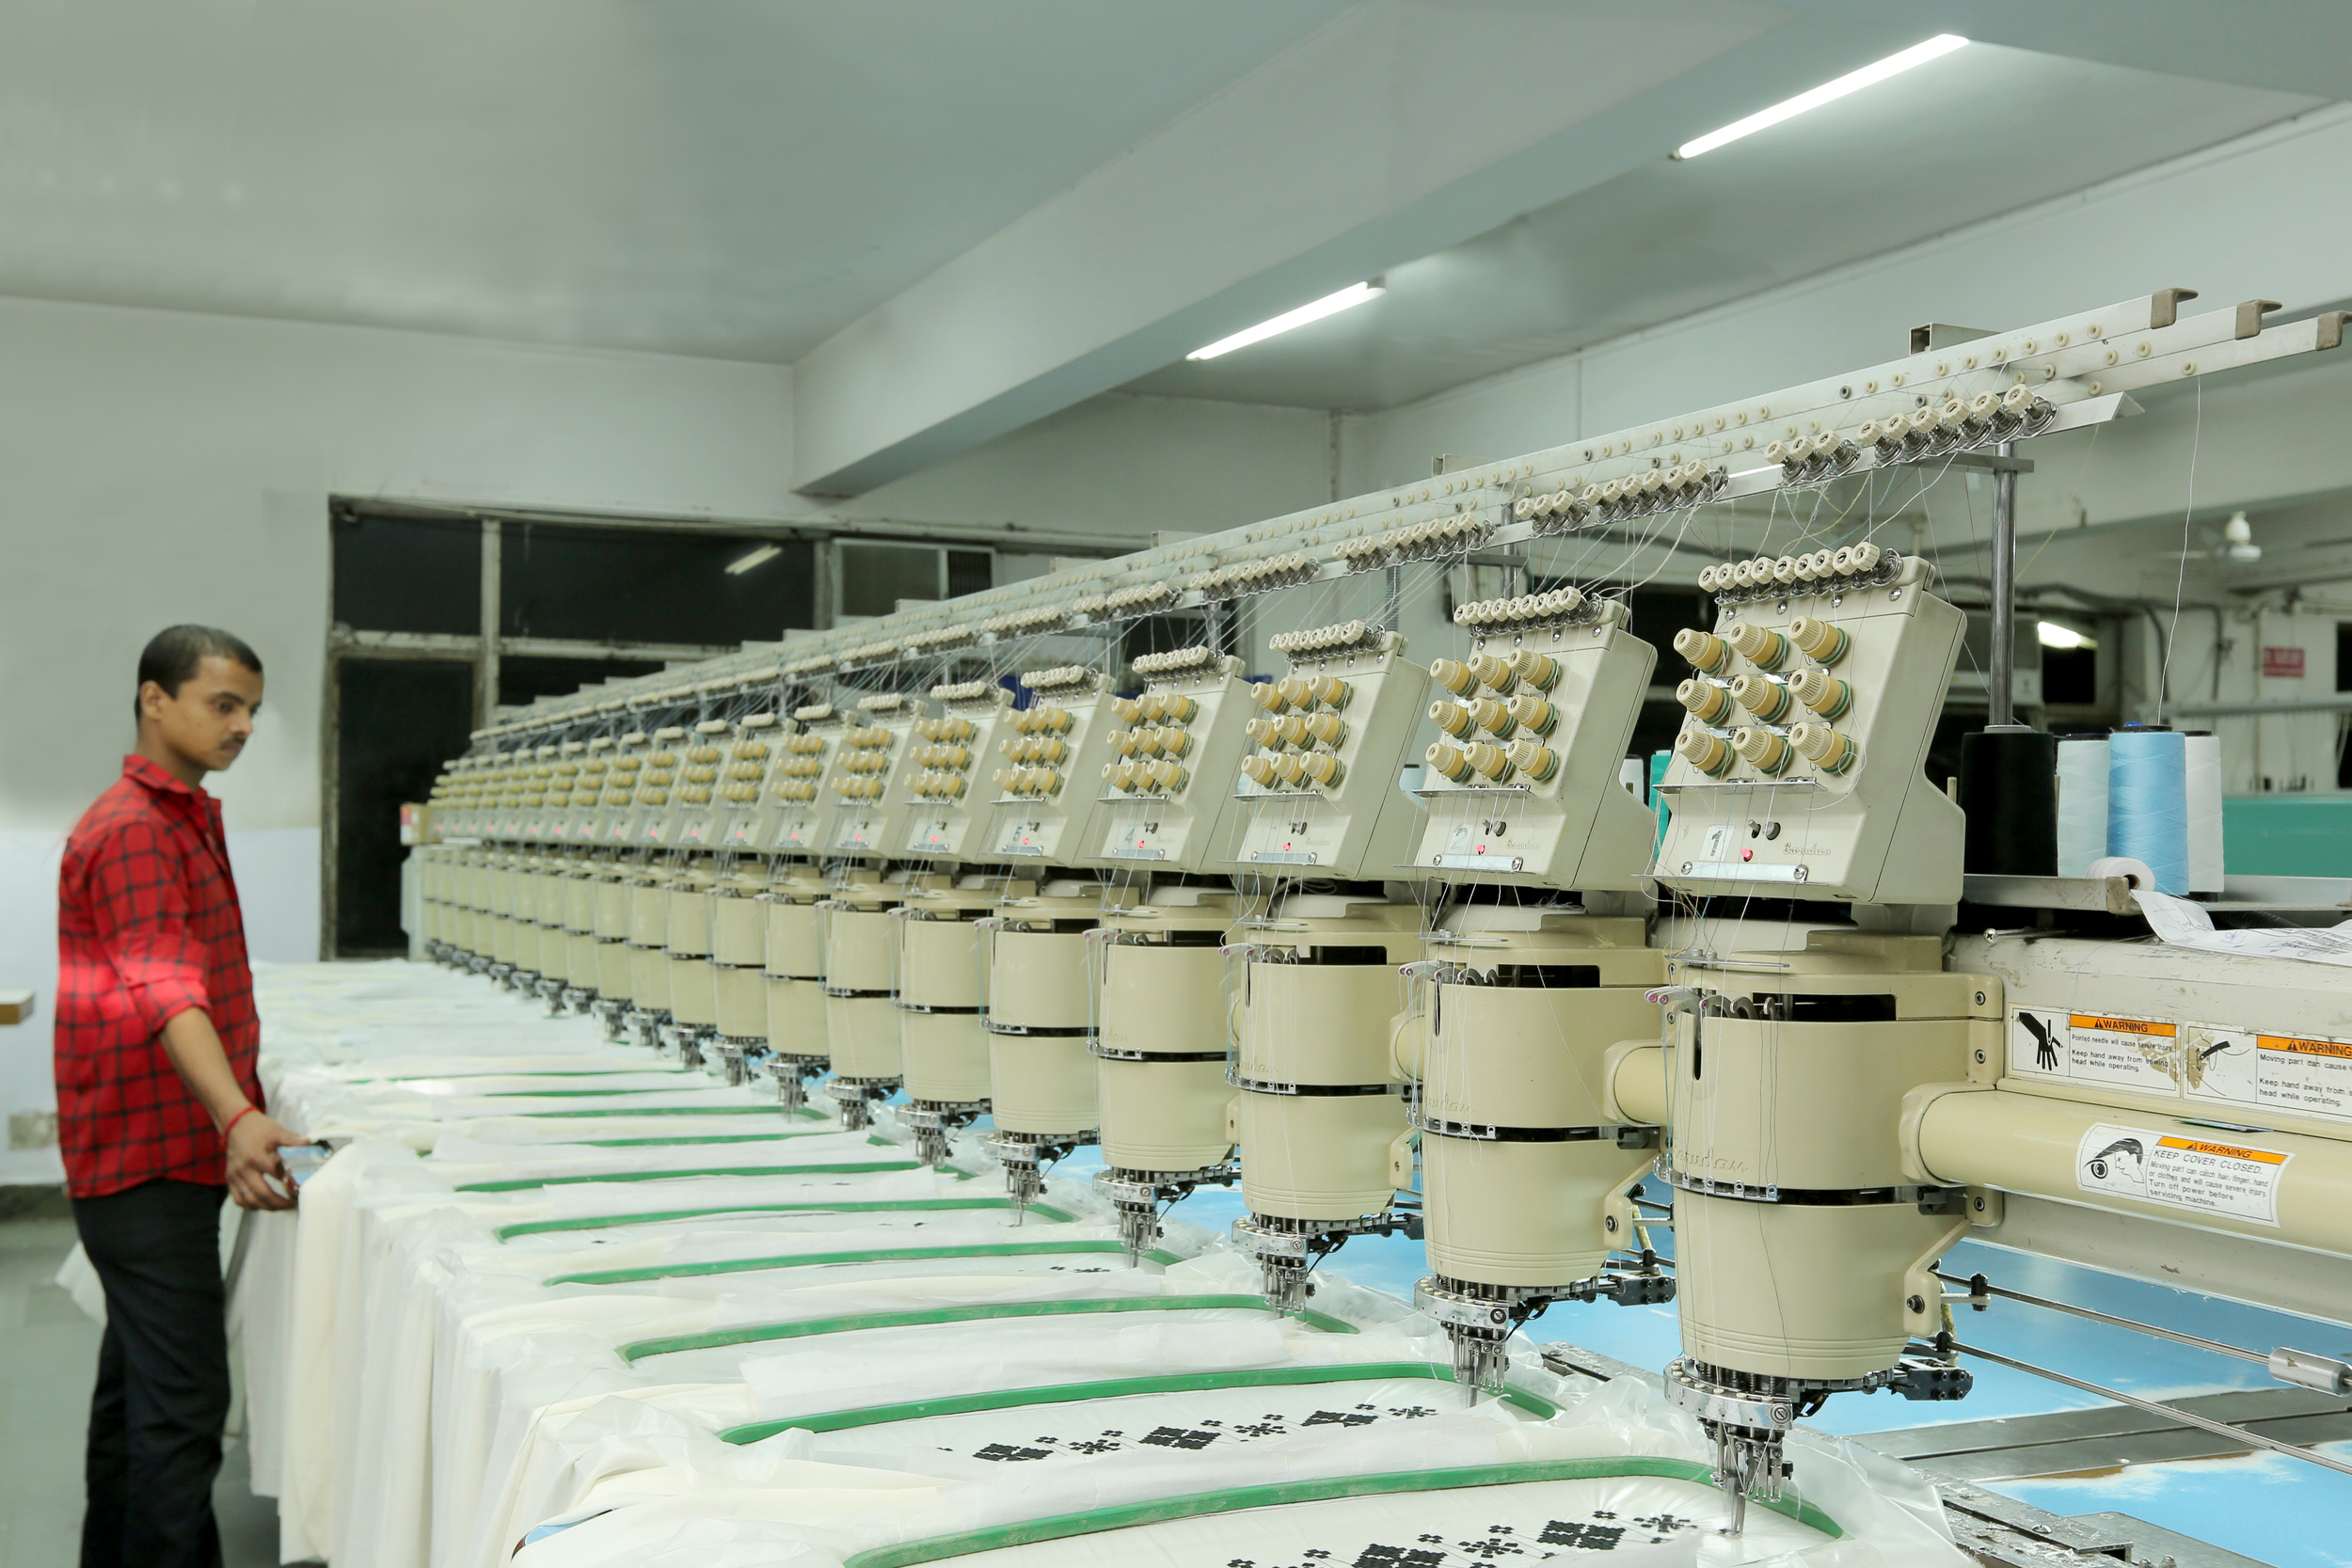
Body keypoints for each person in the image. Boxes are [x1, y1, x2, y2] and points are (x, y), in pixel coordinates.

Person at [56, 625, 305, 1568]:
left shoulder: (185, 814)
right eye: (221, 703)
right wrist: (237, 1114)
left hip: (151, 1151)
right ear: (153, 699)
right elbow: (166, 987)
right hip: (144, 1160)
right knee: (185, 1408)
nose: (241, 724)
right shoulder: (134, 830)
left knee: (136, 1396)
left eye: (249, 705)